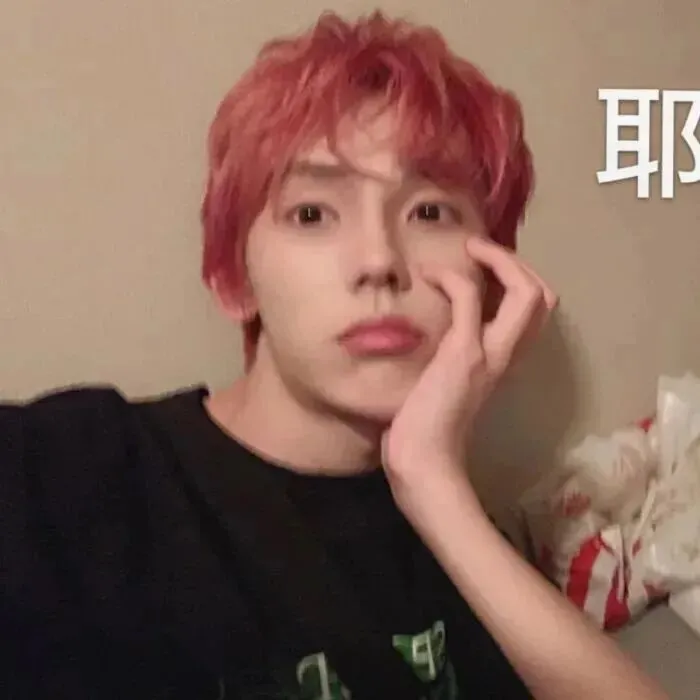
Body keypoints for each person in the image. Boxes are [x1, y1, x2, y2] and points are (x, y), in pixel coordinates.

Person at [0, 10, 667, 700]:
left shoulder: (464, 545)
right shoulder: (69, 474)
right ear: (231, 278)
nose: (379, 261)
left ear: (492, 279)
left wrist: (433, 487)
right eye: (312, 213)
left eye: (429, 212)